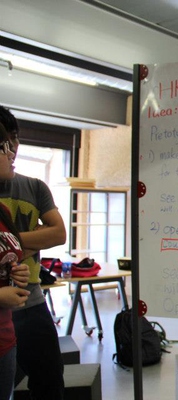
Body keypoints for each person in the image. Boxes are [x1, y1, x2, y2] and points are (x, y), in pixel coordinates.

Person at [0, 106, 66, 399]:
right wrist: (33, 239)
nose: (13, 149)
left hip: (31, 300)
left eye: (15, 139)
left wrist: (9, 244)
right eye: (5, 143)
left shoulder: (34, 187)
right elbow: (47, 234)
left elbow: (58, 233)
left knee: (49, 382)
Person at [0, 123, 31, 400]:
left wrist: (15, 272)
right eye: (4, 147)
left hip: (5, 338)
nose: (12, 153)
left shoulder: (2, 210)